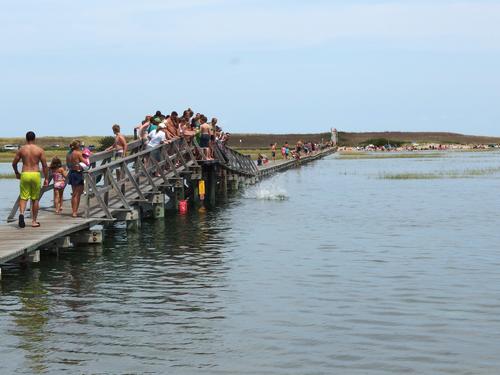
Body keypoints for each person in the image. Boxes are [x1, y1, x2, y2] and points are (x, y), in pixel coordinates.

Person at [12, 131, 49, 228]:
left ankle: (21, 214)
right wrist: (46, 178)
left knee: (24, 197)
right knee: (35, 199)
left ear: (26, 138)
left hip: (25, 174)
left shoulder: (22, 150)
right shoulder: (39, 150)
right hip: (35, 174)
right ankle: (34, 221)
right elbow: (45, 166)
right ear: (34, 138)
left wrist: (16, 172)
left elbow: (14, 163)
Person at [67, 140, 87, 218]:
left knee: (74, 193)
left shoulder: (68, 154)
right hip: (77, 173)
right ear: (77, 146)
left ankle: (74, 211)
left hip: (72, 173)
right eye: (80, 146)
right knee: (77, 194)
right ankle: (74, 212)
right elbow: (85, 162)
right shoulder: (78, 153)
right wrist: (86, 156)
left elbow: (68, 165)